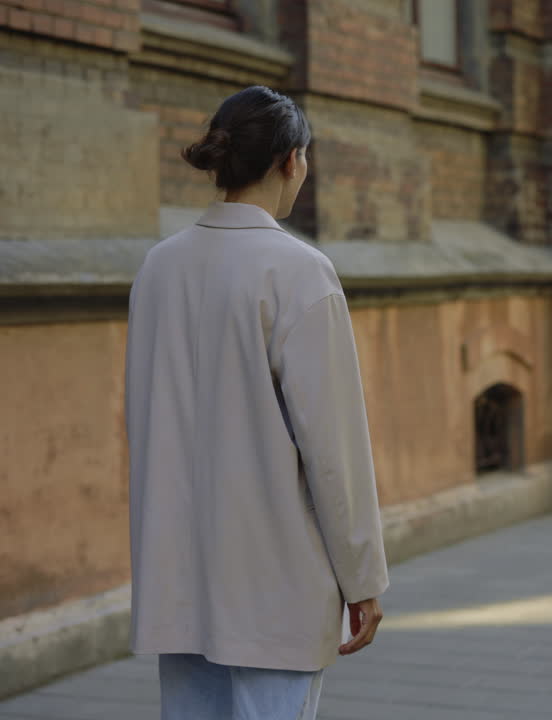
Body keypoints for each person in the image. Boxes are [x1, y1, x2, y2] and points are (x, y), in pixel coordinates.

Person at [125, 86, 389, 720]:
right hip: (275, 587)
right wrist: (364, 579)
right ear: (291, 160)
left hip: (179, 583)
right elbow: (335, 452)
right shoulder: (299, 271)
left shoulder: (158, 268)